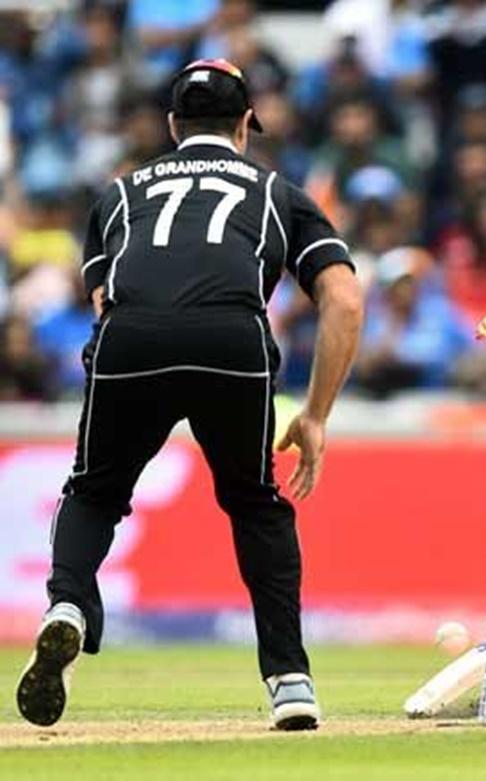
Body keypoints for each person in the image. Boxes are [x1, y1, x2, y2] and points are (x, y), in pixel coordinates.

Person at [14, 59, 363, 731]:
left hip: (130, 340)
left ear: (174, 125)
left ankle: (66, 603)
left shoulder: (118, 195)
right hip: (233, 341)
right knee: (254, 503)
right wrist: (315, 414)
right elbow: (344, 299)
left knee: (93, 491)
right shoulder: (274, 191)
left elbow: (101, 299)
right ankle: (290, 681)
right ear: (243, 127)